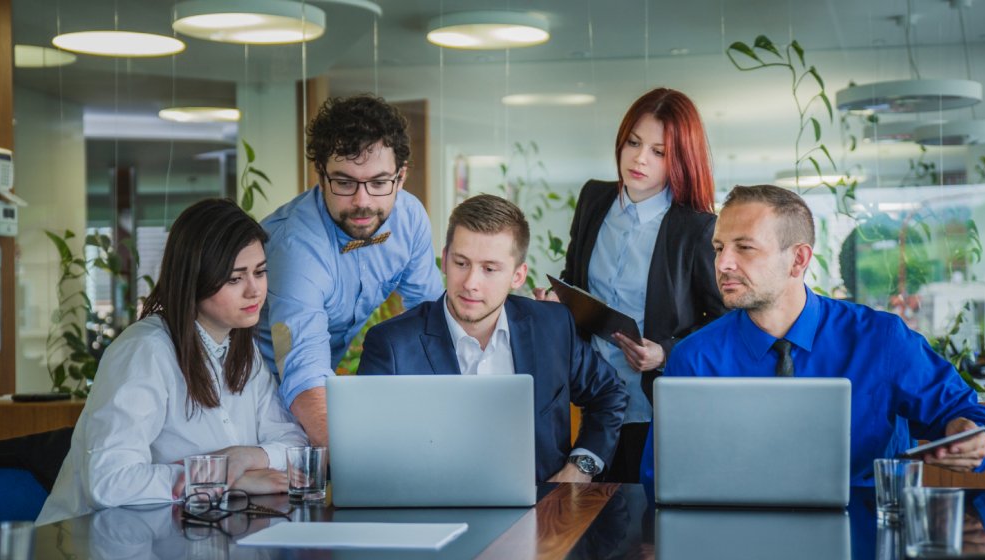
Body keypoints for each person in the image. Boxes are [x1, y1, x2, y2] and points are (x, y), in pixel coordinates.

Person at [640, 184, 985, 486]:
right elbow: (661, 478)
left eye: (744, 247)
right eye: (719, 248)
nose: (723, 263)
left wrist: (975, 439)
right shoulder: (694, 357)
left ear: (798, 260)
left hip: (865, 548)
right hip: (739, 545)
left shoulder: (882, 340)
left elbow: (972, 421)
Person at [38, 199, 308, 525]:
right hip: (91, 549)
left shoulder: (243, 351)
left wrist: (247, 457)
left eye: (260, 272)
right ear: (195, 277)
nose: (255, 291)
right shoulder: (145, 352)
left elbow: (294, 444)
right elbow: (109, 482)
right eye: (235, 278)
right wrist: (222, 479)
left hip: (187, 536)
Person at [359, 194, 626, 483]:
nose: (471, 283)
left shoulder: (553, 326)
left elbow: (609, 394)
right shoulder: (390, 345)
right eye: (461, 263)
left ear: (518, 275)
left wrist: (580, 468)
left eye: (489, 269)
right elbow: (368, 451)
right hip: (433, 516)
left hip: (543, 516)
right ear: (445, 259)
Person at [535, 88, 725, 482]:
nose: (640, 159)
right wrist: (558, 298)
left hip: (651, 405)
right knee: (579, 516)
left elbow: (723, 320)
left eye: (659, 151)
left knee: (641, 524)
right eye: (634, 143)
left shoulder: (695, 229)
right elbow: (575, 276)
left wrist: (665, 352)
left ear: (681, 160)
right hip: (586, 397)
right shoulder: (594, 198)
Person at [257, 94, 443, 446]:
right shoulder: (295, 248)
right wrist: (361, 465)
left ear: (400, 178)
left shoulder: (410, 219)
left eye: (378, 182)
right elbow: (304, 372)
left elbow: (429, 321)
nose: (362, 202)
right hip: (260, 396)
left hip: (326, 391)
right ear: (321, 176)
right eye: (344, 182)